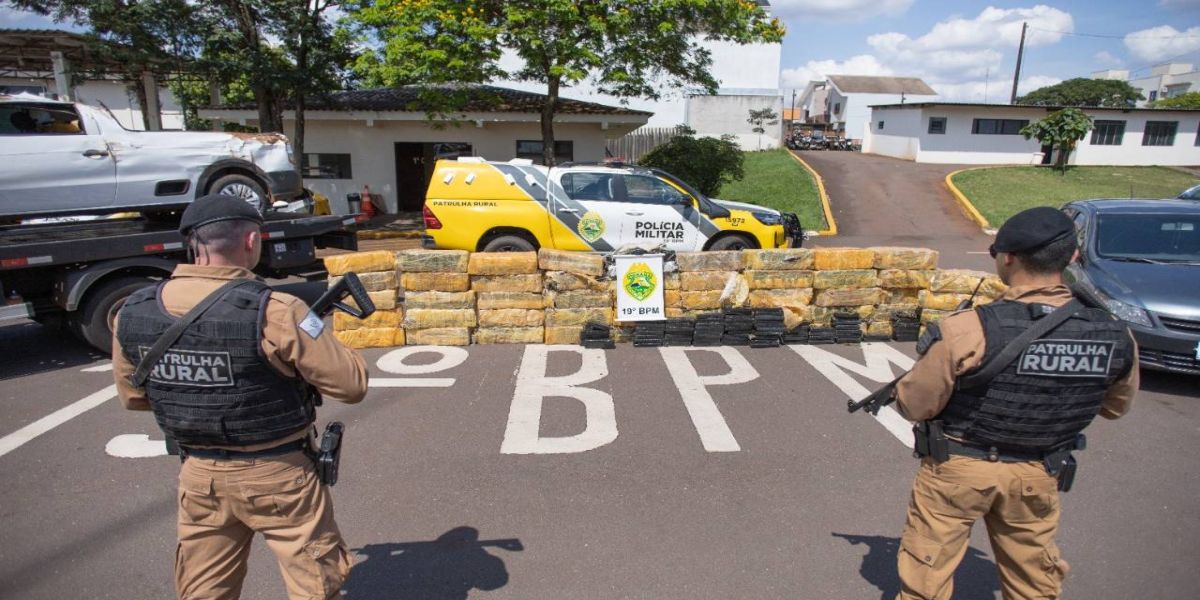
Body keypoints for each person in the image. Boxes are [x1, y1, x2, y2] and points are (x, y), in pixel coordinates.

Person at [111, 194, 369, 599]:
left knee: (205, 590)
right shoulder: (278, 310)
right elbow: (351, 386)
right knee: (314, 585)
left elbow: (133, 397)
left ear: (193, 243)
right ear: (251, 241)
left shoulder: (133, 310)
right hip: (280, 475)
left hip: (200, 476)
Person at [890, 206, 1139, 600]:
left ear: (1007, 258)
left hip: (958, 469)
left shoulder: (968, 328)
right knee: (1033, 584)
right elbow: (1114, 406)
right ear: (1073, 256)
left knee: (926, 579)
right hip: (1038, 473)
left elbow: (915, 405)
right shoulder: (1113, 333)